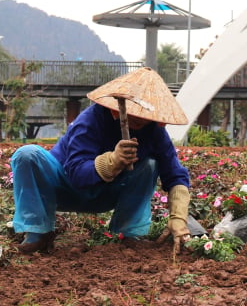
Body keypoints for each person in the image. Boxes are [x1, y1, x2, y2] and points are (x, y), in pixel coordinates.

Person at [10, 68, 192, 255]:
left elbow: (175, 174)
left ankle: (127, 235)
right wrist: (112, 161)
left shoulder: (154, 132)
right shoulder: (91, 120)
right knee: (27, 154)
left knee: (150, 165)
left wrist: (178, 218)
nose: (140, 118)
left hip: (108, 193)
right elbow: (77, 173)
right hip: (64, 187)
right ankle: (38, 233)